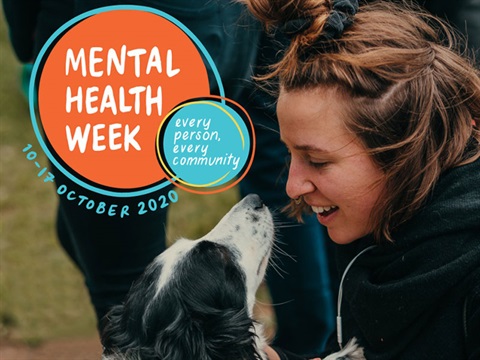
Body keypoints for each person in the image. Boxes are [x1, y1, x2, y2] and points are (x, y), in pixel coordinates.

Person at [3, 0, 337, 354]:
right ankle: (310, 344)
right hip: (229, 26)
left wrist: (28, 37)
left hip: (119, 48)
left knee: (126, 288)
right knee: (279, 175)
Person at [240, 0, 480, 359]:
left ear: (401, 155)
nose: (292, 187)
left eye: (317, 161)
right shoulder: (374, 221)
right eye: (290, 154)